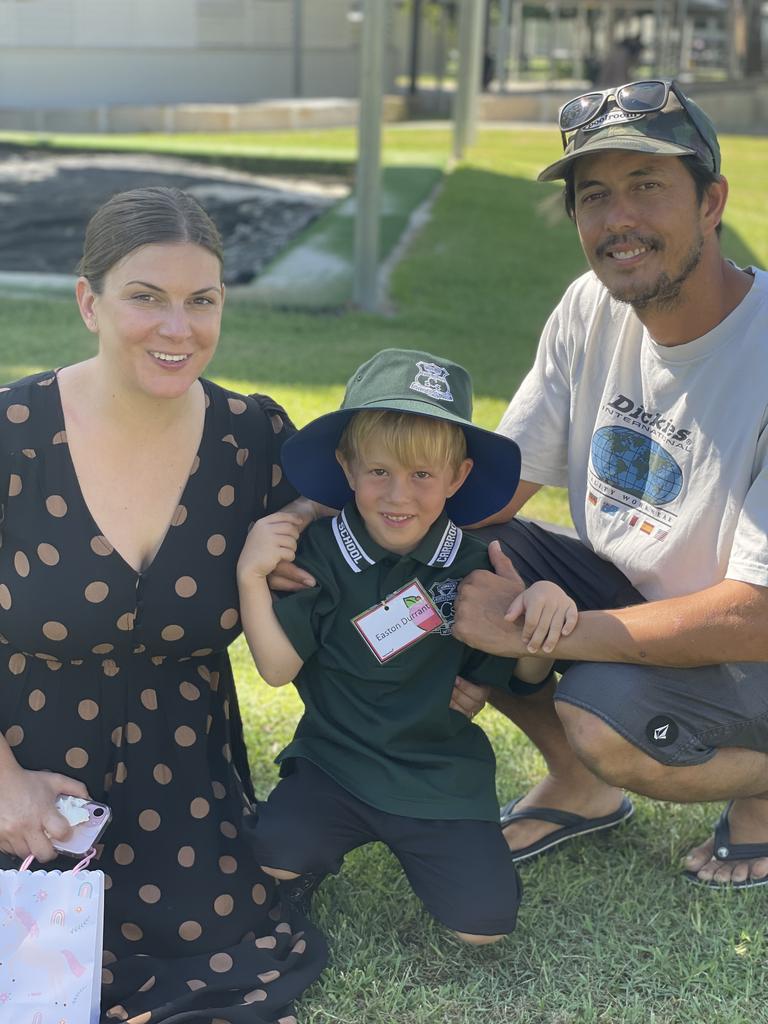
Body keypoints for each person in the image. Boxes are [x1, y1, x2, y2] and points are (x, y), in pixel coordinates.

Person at [0, 186, 328, 1022]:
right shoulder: (12, 434)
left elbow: (365, 556)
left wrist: (464, 655)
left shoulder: (257, 439)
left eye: (202, 301)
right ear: (89, 302)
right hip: (26, 772)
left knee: (219, 958)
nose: (178, 329)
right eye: (146, 298)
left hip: (182, 783)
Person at [450, 79, 768, 889]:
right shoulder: (591, 306)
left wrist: (527, 632)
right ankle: (579, 787)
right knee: (449, 552)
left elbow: (755, 616)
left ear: (712, 202)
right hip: (641, 599)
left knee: (599, 712)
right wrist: (355, 530)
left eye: (647, 187)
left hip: (752, 637)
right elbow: (495, 485)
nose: (617, 220)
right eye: (595, 197)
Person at [236, 348, 578, 943]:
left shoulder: (478, 565)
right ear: (347, 468)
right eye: (379, 472)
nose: (399, 495)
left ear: (458, 477)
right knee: (271, 861)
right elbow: (275, 668)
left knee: (484, 929)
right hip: (333, 764)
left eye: (422, 474)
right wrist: (249, 575)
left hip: (438, 776)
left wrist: (537, 615)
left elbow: (522, 679)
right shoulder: (317, 554)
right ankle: (306, 859)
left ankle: (468, 868)